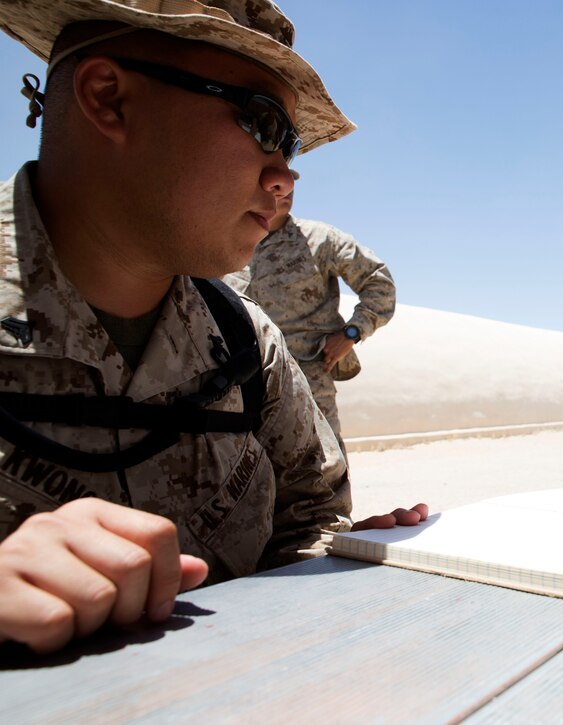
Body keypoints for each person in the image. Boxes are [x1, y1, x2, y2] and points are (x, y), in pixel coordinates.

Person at [0, 0, 420, 655]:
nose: (285, 177)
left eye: (292, 145)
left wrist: (343, 559)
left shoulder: (247, 342)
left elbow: (309, 515)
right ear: (108, 98)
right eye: (261, 122)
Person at [224, 173, 395, 453]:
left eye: (290, 182)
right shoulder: (226, 243)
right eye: (274, 184)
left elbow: (379, 282)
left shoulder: (321, 239)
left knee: (323, 465)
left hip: (307, 375)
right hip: (242, 380)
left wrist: (352, 332)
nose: (286, 189)